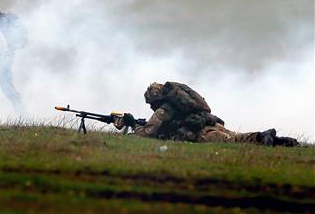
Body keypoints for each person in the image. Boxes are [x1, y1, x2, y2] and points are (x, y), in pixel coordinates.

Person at [114, 82, 299, 147]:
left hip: (202, 133)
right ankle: (273, 139)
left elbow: (147, 134)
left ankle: (265, 138)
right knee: (237, 138)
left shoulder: (164, 110)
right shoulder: (181, 103)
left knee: (232, 142)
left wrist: (131, 124)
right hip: (210, 124)